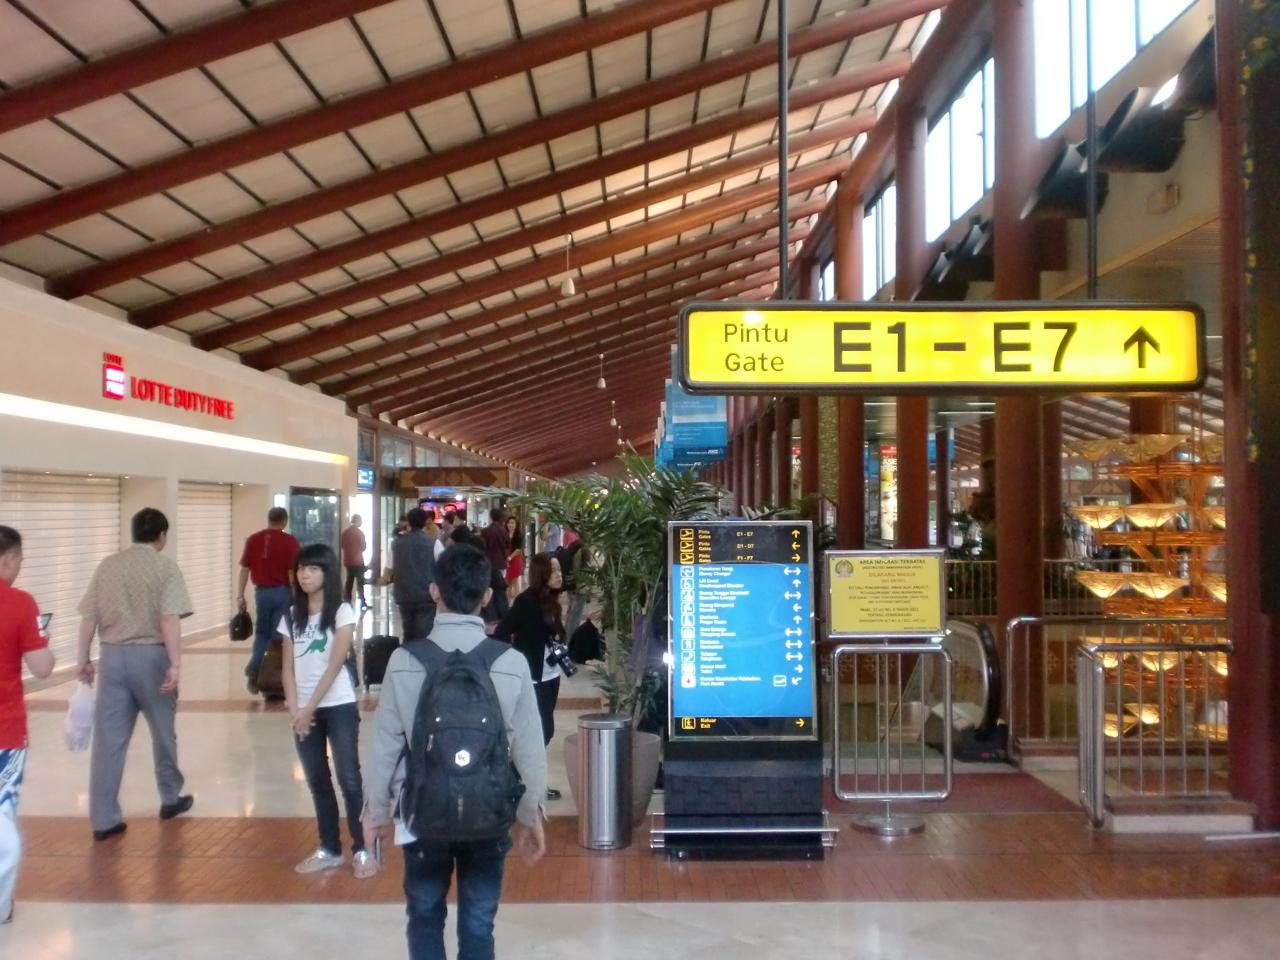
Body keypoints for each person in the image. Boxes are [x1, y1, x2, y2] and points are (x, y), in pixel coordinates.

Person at [364, 543, 546, 960]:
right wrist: (530, 812)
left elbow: (385, 744)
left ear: (433, 591)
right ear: (487, 596)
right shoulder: (511, 661)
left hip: (423, 811)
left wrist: (376, 813)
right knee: (479, 920)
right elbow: (529, 747)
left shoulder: (404, 661)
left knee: (424, 914)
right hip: (489, 812)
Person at [77, 507, 194, 841]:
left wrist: (83, 660)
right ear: (162, 535)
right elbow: (169, 618)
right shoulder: (165, 567)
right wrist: (175, 663)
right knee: (163, 731)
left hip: (112, 657)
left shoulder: (108, 566)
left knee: (108, 741)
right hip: (151, 657)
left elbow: (88, 617)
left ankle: (104, 819)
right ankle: (170, 797)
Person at [278, 544, 373, 879]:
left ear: (327, 573)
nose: (304, 575)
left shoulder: (341, 612)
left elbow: (335, 666)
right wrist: (295, 710)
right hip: (304, 711)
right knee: (318, 780)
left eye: (313, 569)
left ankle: (363, 848)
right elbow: (287, 667)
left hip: (338, 705)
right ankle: (329, 848)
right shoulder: (291, 615)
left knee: (349, 778)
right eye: (301, 569)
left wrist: (309, 709)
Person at [0, 526, 54, 925]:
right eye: (19, 559)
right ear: (8, 559)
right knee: (3, 822)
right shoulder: (20, 604)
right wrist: (42, 636)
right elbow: (42, 668)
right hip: (6, 732)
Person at [492, 552, 565, 802]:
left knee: (544, 730)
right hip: (533, 678)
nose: (559, 575)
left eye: (559, 570)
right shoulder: (526, 602)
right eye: (553, 570)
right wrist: (514, 659)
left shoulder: (552, 601)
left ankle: (526, 781)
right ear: (541, 573)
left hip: (551, 674)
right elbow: (502, 632)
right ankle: (516, 779)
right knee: (542, 730)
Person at [237, 507, 300, 694]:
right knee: (278, 635)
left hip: (261, 593)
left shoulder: (253, 540)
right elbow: (292, 572)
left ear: (269, 519)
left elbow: (245, 569)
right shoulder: (290, 542)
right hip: (282, 593)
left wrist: (240, 595)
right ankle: (263, 673)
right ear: (284, 521)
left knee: (262, 634)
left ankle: (257, 674)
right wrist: (297, 596)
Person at [391, 507, 439, 641]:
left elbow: (389, 567)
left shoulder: (396, 543)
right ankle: (420, 653)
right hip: (426, 595)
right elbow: (444, 566)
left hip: (403, 594)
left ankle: (407, 652)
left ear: (409, 522)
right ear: (425, 522)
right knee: (423, 633)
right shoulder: (434, 543)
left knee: (408, 631)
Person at [340, 514, 368, 610]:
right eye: (361, 520)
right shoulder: (359, 533)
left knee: (349, 582)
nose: (361, 522)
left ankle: (347, 601)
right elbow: (363, 547)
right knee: (360, 583)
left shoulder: (345, 533)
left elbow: (342, 545)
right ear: (358, 521)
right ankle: (362, 602)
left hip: (348, 561)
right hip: (358, 561)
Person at [480, 507, 510, 581]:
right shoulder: (505, 532)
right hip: (501, 563)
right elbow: (508, 546)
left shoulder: (485, 531)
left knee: (489, 585)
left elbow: (481, 546)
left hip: (489, 563)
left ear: (491, 517)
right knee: (500, 584)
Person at [505, 529, 524, 603]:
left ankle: (517, 603)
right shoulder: (505, 534)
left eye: (512, 523)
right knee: (508, 582)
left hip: (515, 559)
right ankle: (508, 603)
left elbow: (518, 549)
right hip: (507, 558)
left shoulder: (518, 536)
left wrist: (510, 557)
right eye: (509, 523)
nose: (510, 525)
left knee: (515, 581)